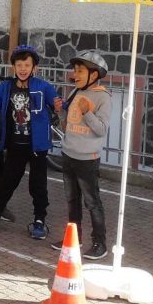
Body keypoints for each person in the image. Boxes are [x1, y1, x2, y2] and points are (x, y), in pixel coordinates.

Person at [0, 45, 62, 236]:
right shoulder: (5, 87)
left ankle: (39, 219)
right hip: (15, 145)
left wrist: (60, 104)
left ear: (34, 67)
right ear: (13, 66)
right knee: (7, 182)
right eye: (19, 64)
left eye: (27, 65)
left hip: (37, 147)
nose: (22, 68)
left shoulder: (43, 87)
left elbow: (58, 102)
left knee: (38, 185)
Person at [52, 50, 112, 260]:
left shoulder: (103, 97)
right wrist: (60, 111)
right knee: (71, 199)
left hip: (87, 159)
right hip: (69, 155)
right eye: (74, 70)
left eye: (79, 70)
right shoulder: (75, 92)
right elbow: (67, 125)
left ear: (93, 75)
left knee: (92, 202)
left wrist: (87, 112)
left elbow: (102, 129)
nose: (74, 74)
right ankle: (74, 238)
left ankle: (100, 243)